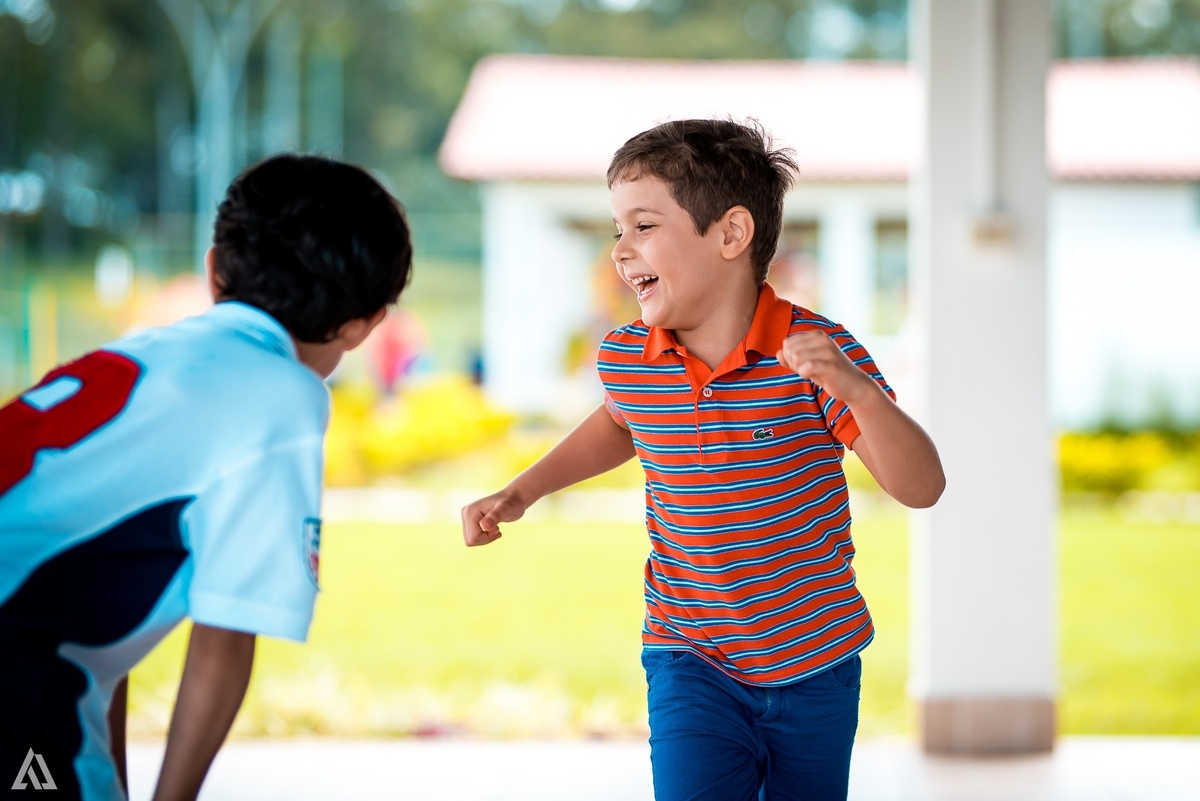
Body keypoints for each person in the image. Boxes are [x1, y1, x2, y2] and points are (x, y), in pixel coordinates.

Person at [461, 119, 945, 801]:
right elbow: (619, 425)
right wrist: (522, 491)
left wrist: (859, 391)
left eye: (643, 226)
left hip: (816, 660)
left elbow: (922, 487)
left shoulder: (815, 355)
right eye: (618, 230)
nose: (620, 251)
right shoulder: (630, 357)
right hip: (689, 654)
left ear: (731, 234)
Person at [0, 153, 413, 800]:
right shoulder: (281, 396)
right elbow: (224, 639)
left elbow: (97, 629)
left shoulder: (131, 356)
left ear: (213, 269)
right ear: (365, 324)